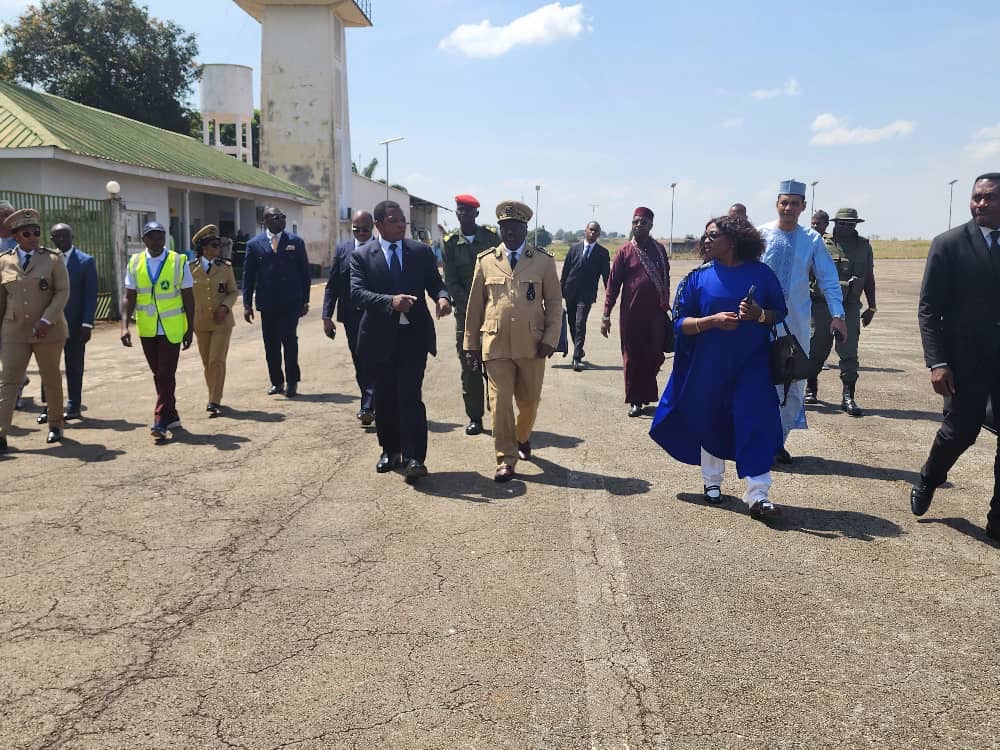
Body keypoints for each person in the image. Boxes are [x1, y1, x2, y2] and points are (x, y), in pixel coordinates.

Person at [650, 216, 788, 519]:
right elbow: (679, 324)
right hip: (709, 367)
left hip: (752, 365)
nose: (706, 240)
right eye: (706, 236)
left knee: (754, 421)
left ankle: (758, 495)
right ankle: (712, 481)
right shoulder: (697, 278)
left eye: (713, 236)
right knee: (710, 420)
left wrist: (758, 314)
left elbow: (779, 312)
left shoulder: (762, 274)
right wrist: (711, 322)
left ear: (733, 240)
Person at [910, 173, 1000, 543]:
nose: (981, 203)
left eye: (990, 197)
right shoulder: (949, 244)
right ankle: (930, 476)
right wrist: (937, 362)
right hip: (964, 360)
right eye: (977, 197)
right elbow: (929, 309)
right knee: (961, 431)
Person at [350, 200, 452, 484]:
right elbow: (357, 293)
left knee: (410, 396)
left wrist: (443, 298)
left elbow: (435, 283)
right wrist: (390, 302)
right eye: (393, 220)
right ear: (378, 225)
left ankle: (415, 457)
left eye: (402, 219)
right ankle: (390, 450)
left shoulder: (419, 252)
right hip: (379, 338)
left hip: (413, 337)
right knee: (385, 398)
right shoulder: (362, 256)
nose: (401, 225)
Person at [464, 200, 562, 482]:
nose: (509, 231)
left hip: (532, 344)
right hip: (495, 344)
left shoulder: (543, 261)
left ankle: (522, 436)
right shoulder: (486, 261)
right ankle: (506, 459)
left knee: (529, 402)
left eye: (515, 226)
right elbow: (474, 307)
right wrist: (470, 345)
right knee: (500, 403)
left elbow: (554, 303)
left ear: (525, 228)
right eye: (504, 226)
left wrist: (551, 337)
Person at [758, 180, 847, 463]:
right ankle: (757, 441)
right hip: (758, 322)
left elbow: (828, 279)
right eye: (784, 203)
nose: (788, 208)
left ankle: (777, 441)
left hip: (795, 324)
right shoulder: (760, 235)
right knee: (758, 382)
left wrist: (838, 315)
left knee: (793, 384)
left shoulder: (811, 240)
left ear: (803, 207)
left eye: (794, 204)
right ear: (776, 204)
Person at [0, 208, 70, 450]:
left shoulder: (53, 259)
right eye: (27, 233)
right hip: (14, 331)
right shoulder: (4, 262)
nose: (33, 237)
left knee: (51, 378)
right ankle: (1, 433)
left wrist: (47, 320)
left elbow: (62, 292)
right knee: (8, 381)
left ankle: (55, 425)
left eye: (36, 232)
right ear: (15, 236)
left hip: (48, 331)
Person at [120, 221, 194, 441]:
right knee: (158, 373)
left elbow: (188, 296)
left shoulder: (178, 261)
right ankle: (171, 414)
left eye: (160, 236)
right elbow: (129, 296)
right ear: (144, 239)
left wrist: (190, 327)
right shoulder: (135, 262)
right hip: (148, 328)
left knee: (165, 372)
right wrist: (124, 326)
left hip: (172, 328)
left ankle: (160, 420)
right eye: (151, 236)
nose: (156, 240)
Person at [805, 208, 877, 415]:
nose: (846, 227)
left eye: (851, 224)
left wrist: (872, 306)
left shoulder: (864, 246)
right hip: (821, 305)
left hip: (850, 306)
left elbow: (869, 277)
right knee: (816, 348)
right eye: (842, 223)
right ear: (835, 223)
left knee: (849, 351)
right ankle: (811, 388)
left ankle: (848, 397)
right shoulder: (820, 243)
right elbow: (806, 273)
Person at [601, 207, 671, 417]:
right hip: (631, 315)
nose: (638, 225)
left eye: (643, 222)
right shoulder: (625, 251)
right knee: (632, 357)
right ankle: (635, 399)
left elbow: (666, 277)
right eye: (635, 222)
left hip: (656, 315)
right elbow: (613, 286)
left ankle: (646, 394)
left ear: (651, 225)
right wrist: (606, 315)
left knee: (655, 355)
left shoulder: (659, 249)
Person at [442, 195, 500, 436]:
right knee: (470, 366)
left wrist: (490, 304)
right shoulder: (450, 243)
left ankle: (498, 412)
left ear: (476, 213)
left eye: (467, 210)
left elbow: (501, 271)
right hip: (465, 314)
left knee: (496, 363)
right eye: (459, 209)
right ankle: (475, 417)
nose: (462, 213)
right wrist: (472, 305)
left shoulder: (491, 238)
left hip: (493, 311)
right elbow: (451, 281)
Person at [242, 206, 311, 397]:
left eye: (283, 217)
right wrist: (247, 304)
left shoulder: (295, 242)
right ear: (266, 220)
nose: (281, 220)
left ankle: (292, 381)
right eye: (276, 217)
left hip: (290, 301)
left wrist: (305, 301)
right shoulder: (254, 244)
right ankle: (277, 382)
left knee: (289, 341)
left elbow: (305, 273)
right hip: (267, 302)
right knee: (270, 343)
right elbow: (248, 276)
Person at [323, 210, 376, 425]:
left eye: (365, 229)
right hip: (351, 316)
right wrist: (326, 315)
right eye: (356, 229)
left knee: (376, 360)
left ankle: (370, 405)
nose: (361, 233)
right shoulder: (343, 249)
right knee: (360, 360)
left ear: (373, 227)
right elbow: (333, 284)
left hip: (377, 315)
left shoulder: (381, 248)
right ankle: (368, 402)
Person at [44, 223, 97, 421]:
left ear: (72, 237)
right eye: (57, 237)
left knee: (74, 365)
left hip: (75, 324)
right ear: (52, 239)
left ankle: (74, 405)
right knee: (48, 365)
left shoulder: (85, 261)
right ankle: (49, 406)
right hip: (49, 323)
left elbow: (90, 295)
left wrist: (87, 324)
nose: (62, 240)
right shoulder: (44, 261)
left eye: (65, 236)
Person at [190, 225, 238, 417]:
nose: (218, 248)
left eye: (218, 244)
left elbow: (233, 291)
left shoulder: (225, 268)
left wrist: (225, 307)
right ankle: (213, 395)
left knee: (216, 360)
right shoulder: (190, 269)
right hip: (200, 322)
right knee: (207, 363)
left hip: (222, 322)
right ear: (204, 248)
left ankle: (214, 400)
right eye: (214, 245)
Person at [561, 221, 611, 371]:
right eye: (591, 230)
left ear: (599, 234)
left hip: (586, 295)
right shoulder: (574, 249)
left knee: (580, 322)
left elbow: (607, 277)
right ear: (585, 230)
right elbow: (565, 271)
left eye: (596, 231)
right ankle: (579, 349)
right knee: (572, 323)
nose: (593, 233)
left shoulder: (602, 253)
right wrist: (560, 291)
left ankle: (576, 358)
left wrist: (610, 295)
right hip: (570, 292)